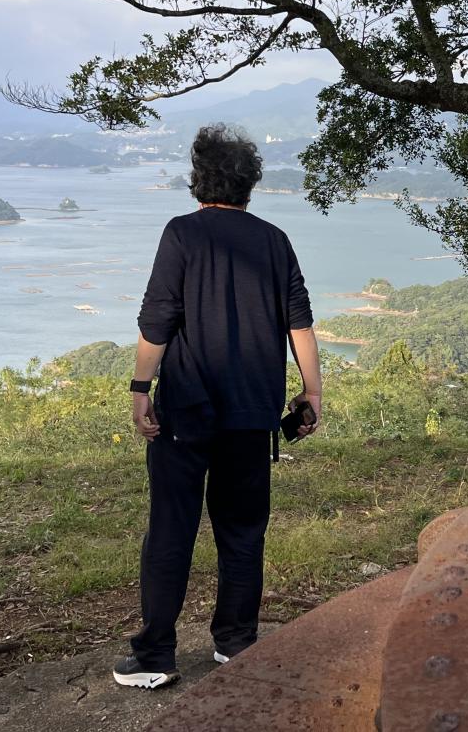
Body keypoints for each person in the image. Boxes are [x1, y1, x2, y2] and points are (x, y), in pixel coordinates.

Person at [112, 124, 322, 691]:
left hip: (186, 411)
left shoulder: (182, 234)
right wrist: (312, 391)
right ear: (250, 183)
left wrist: (139, 388)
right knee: (243, 531)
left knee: (171, 530)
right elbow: (298, 320)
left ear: (198, 181)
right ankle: (236, 641)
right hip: (252, 415)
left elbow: (158, 318)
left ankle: (156, 655)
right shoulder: (274, 240)